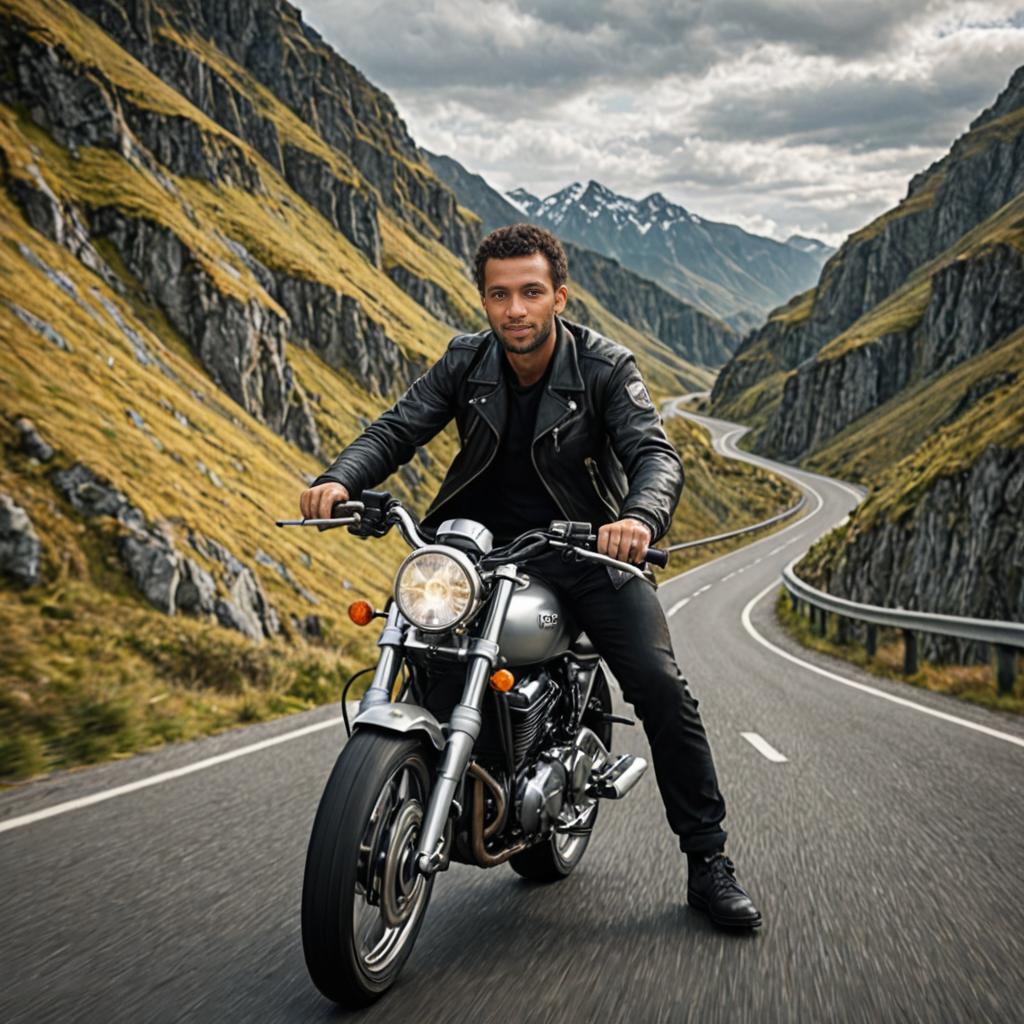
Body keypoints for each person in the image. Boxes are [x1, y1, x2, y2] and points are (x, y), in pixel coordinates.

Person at [300, 224, 762, 929]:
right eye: (499, 294)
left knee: (663, 690)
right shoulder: (466, 361)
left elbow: (654, 454)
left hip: (585, 553)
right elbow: (396, 428)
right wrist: (341, 479)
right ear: (484, 299)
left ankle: (708, 863)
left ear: (558, 295)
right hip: (477, 549)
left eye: (530, 293)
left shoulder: (606, 367)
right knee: (421, 641)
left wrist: (637, 519)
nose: (514, 309)